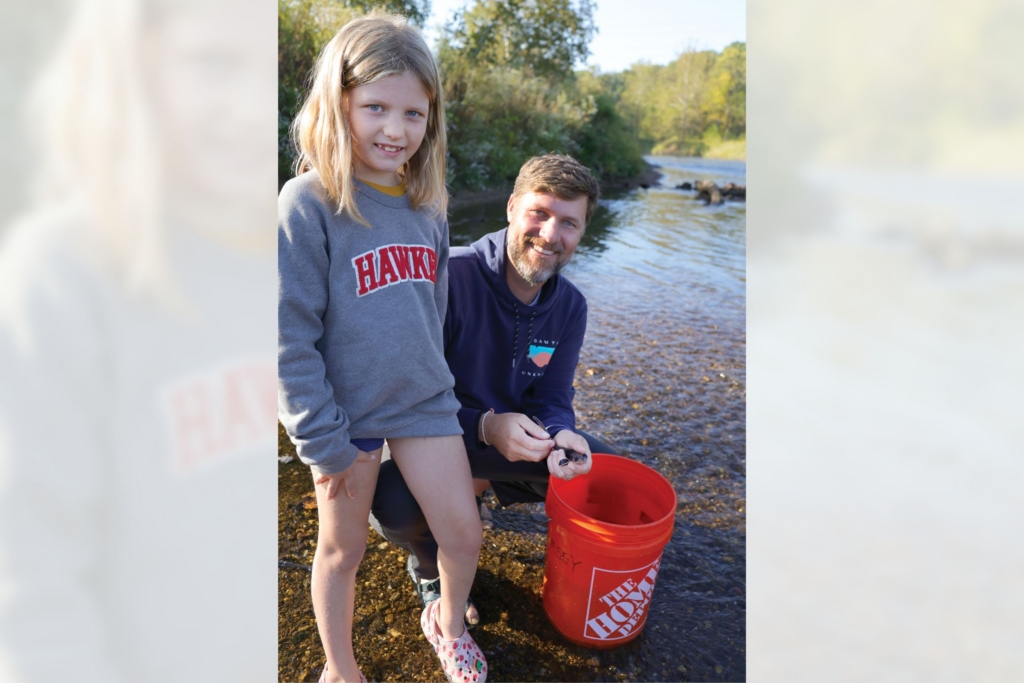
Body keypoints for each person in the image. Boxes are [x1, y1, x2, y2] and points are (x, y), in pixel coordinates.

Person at [278, 13, 486, 683]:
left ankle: (448, 624)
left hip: (424, 402)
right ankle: (341, 667)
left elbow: (437, 312)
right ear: (338, 103)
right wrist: (323, 439)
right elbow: (289, 338)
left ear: (432, 120)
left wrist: (449, 393)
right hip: (349, 414)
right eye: (375, 107)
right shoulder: (309, 202)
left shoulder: (428, 205)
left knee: (462, 533)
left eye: (413, 114)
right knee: (342, 550)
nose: (395, 130)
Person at [371, 153, 618, 623]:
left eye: (569, 223)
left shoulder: (571, 307)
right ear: (510, 208)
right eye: (539, 213)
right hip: (430, 437)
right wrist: (486, 426)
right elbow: (406, 397)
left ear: (582, 232)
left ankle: (489, 499)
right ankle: (429, 570)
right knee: (391, 503)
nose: (550, 235)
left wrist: (562, 430)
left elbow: (552, 398)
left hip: (512, 443)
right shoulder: (448, 276)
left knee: (607, 476)